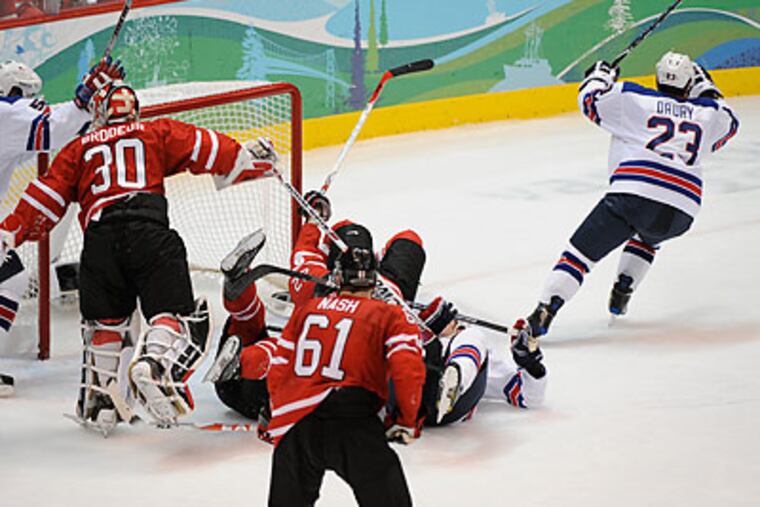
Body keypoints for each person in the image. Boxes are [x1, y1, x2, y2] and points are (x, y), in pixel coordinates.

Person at [0, 79, 280, 432]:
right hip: (149, 233)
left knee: (106, 325)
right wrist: (247, 156)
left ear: (99, 115)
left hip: (99, 243)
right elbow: (206, 147)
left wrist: (9, 232)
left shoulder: (78, 149)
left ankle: (100, 400)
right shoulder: (155, 132)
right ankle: (154, 361)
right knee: (173, 315)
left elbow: (44, 198)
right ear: (134, 110)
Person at [524, 51, 739, 338]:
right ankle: (623, 289)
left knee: (579, 257)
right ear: (689, 83)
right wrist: (703, 87)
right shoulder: (708, 112)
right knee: (648, 238)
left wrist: (601, 74)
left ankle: (545, 310)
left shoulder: (631, 98)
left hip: (634, 194)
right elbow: (730, 121)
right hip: (682, 209)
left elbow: (589, 100)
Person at [264, 222, 425, 506]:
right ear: (374, 280)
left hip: (299, 421)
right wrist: (406, 420)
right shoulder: (390, 314)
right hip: (354, 422)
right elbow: (407, 368)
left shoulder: (307, 309)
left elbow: (279, 366)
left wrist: (277, 413)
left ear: (337, 278)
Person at [0, 57, 124, 396]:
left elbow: (46, 136)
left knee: (10, 278)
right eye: (26, 94)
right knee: (10, 280)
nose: (32, 101)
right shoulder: (6, 113)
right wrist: (83, 100)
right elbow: (49, 128)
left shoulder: (8, 120)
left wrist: (82, 109)